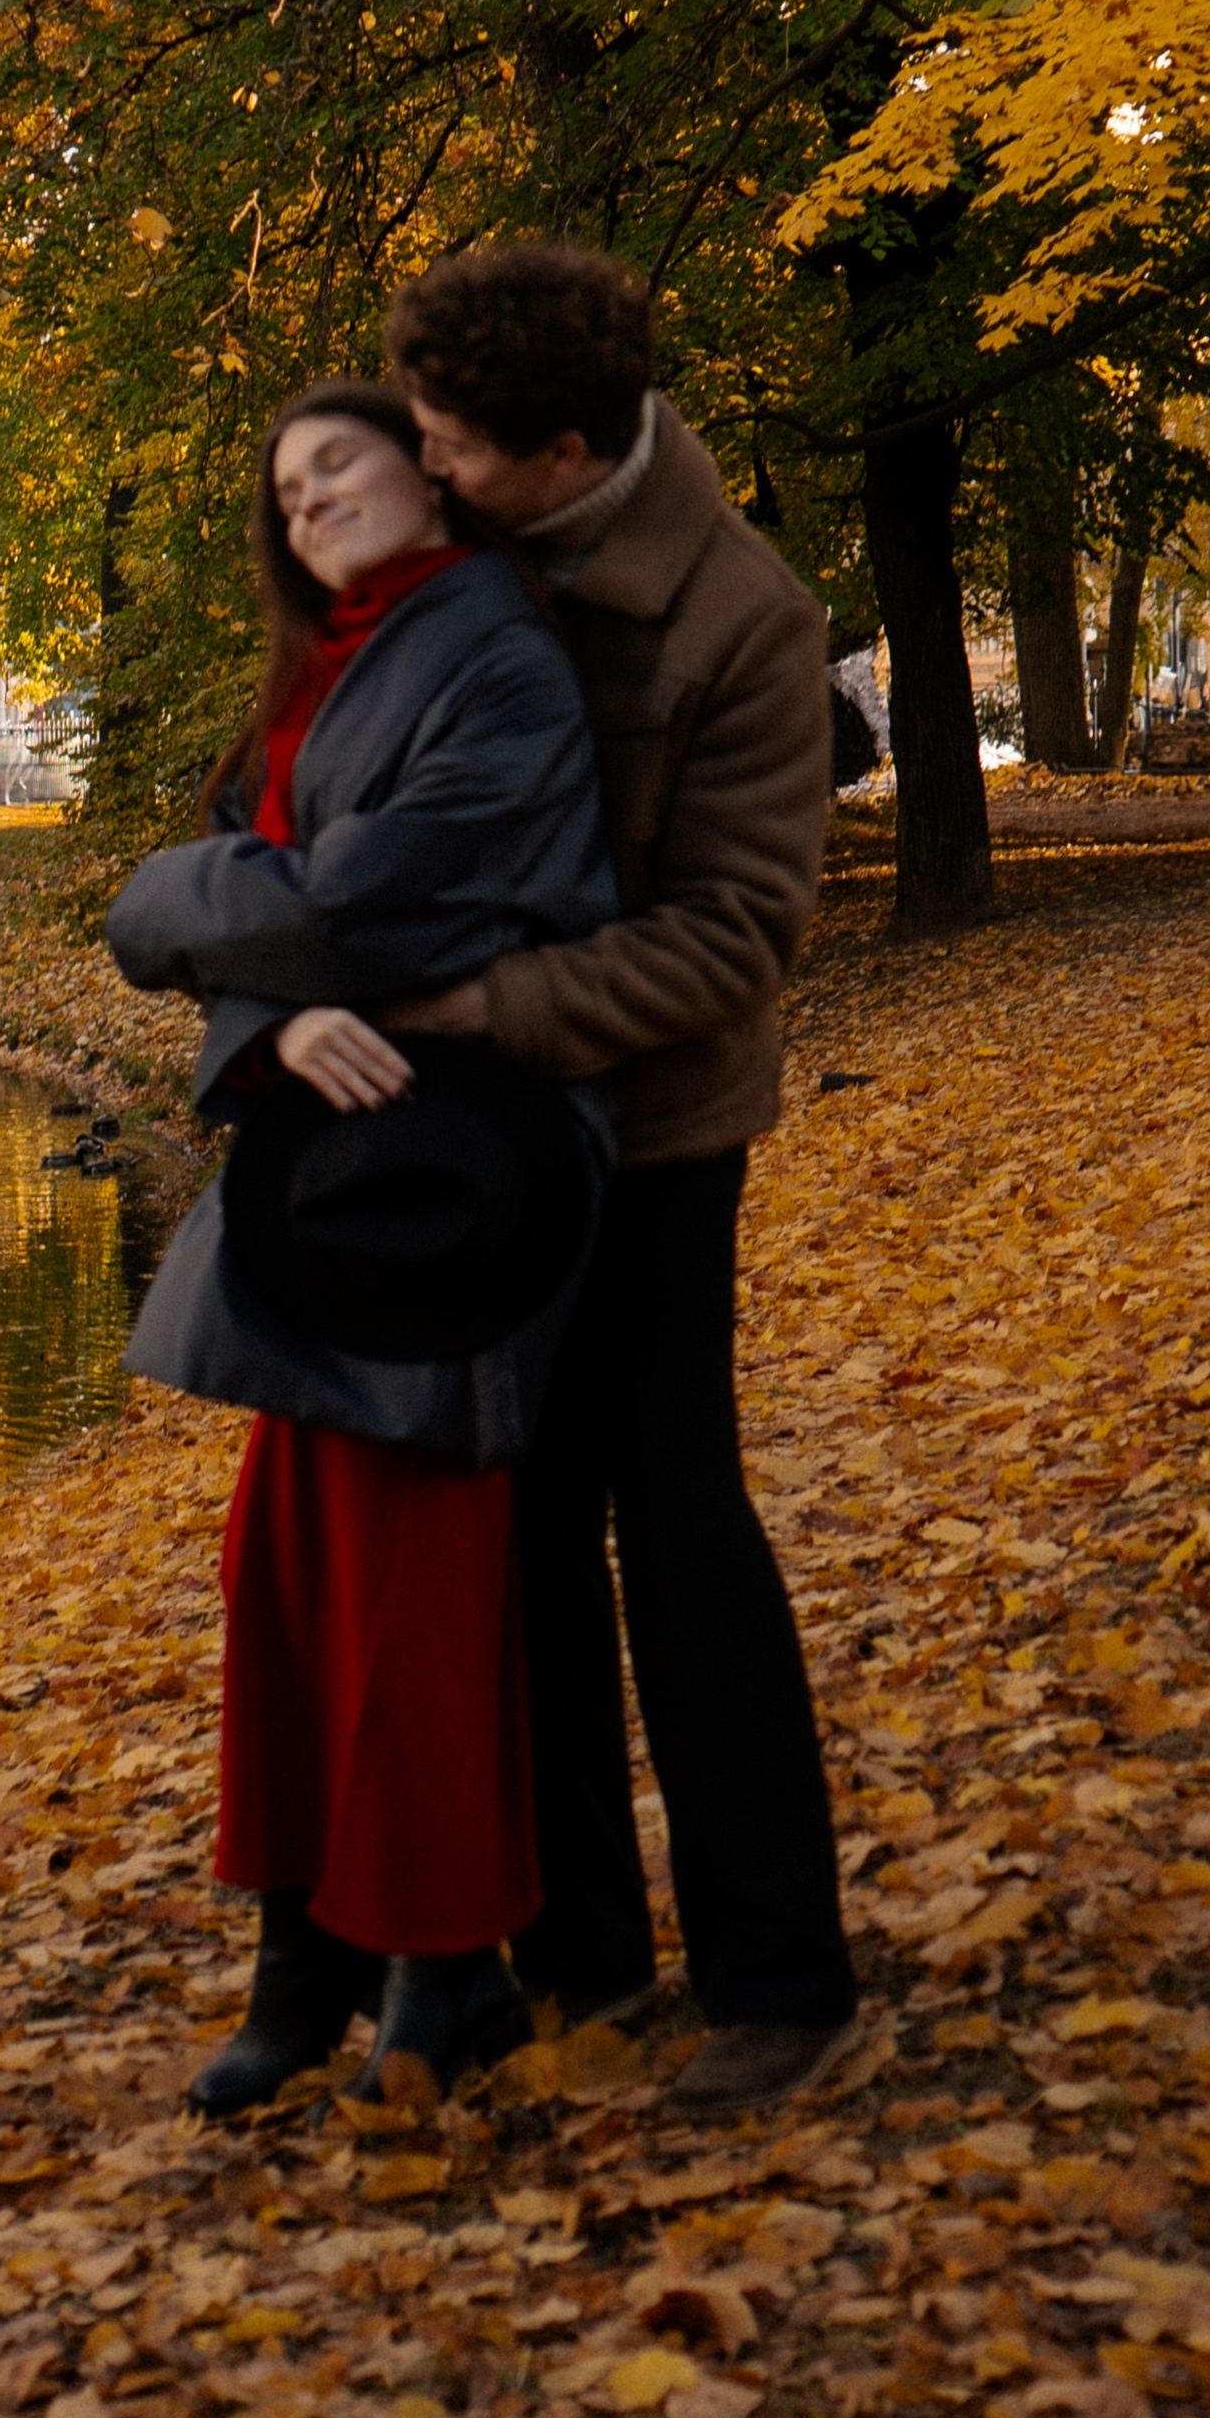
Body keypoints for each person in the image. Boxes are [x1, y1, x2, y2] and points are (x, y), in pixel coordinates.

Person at [380, 239, 858, 2118]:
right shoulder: (451, 553)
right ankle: (580, 1960)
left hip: (654, 1142)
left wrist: (485, 998)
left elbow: (737, 937)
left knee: (679, 1528)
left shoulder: (743, 619)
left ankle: (781, 1983)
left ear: (562, 448)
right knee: (522, 1544)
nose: (421, 466)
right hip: (483, 1141)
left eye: (449, 444)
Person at [105, 382, 617, 2119]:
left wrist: (204, 929)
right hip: (337, 1148)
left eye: (341, 461)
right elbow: (262, 881)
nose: (308, 494)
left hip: (455, 1166)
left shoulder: (498, 654)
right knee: (289, 1571)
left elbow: (341, 895)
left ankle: (433, 1966)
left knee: (412, 1584)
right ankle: (309, 1960)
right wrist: (268, 1008)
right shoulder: (329, 659)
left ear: (432, 472)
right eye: (286, 481)